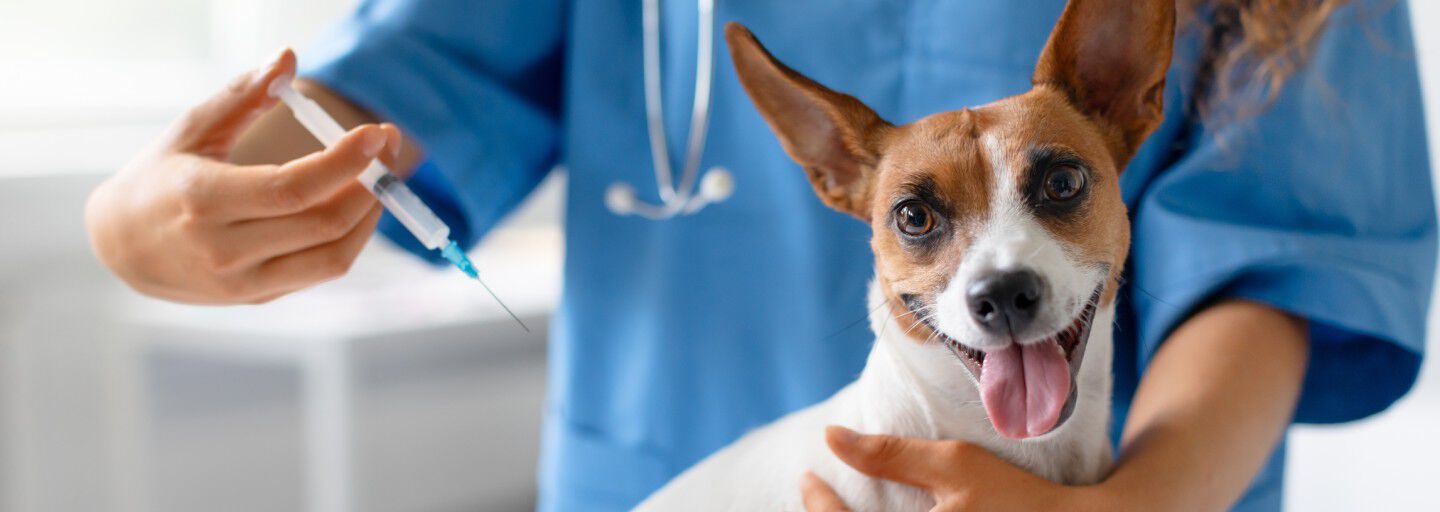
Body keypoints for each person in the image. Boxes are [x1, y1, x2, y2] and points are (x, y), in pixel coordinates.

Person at [84, 1, 1433, 510]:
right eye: (924, 217)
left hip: (1151, 480)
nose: (1002, 267)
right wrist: (155, 209)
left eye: (1059, 189)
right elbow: (403, 86)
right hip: (659, 455)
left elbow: (1298, 233)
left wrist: (1140, 508)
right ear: (838, 177)